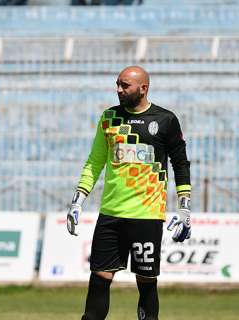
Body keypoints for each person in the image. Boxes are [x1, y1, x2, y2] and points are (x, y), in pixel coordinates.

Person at [66, 66, 191, 320]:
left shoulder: (165, 120)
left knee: (146, 281)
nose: (119, 90)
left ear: (143, 88)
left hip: (146, 215)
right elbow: (94, 162)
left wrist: (184, 208)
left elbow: (180, 164)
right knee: (99, 279)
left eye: (125, 85)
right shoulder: (109, 118)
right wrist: (78, 201)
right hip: (110, 214)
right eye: (117, 84)